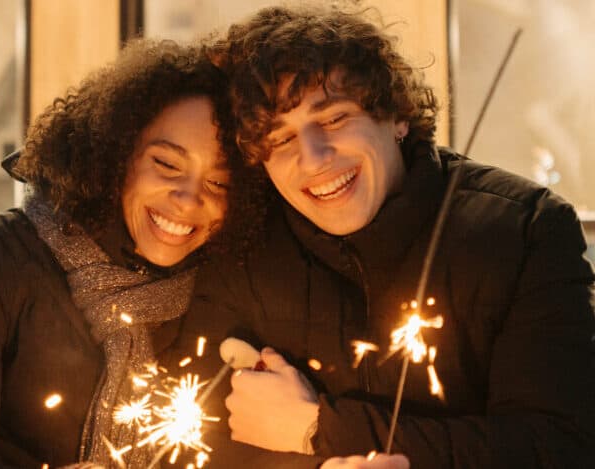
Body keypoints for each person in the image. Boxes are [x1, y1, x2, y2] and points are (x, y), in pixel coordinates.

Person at [171, 4, 595, 469]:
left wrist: (321, 429)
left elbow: (559, 447)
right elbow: (191, 436)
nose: (313, 159)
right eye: (280, 138)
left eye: (333, 119)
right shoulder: (243, 248)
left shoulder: (524, 230)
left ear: (396, 115)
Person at [0, 39, 260, 468]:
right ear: (116, 153)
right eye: (167, 164)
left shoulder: (226, 293)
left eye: (219, 184)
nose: (188, 198)